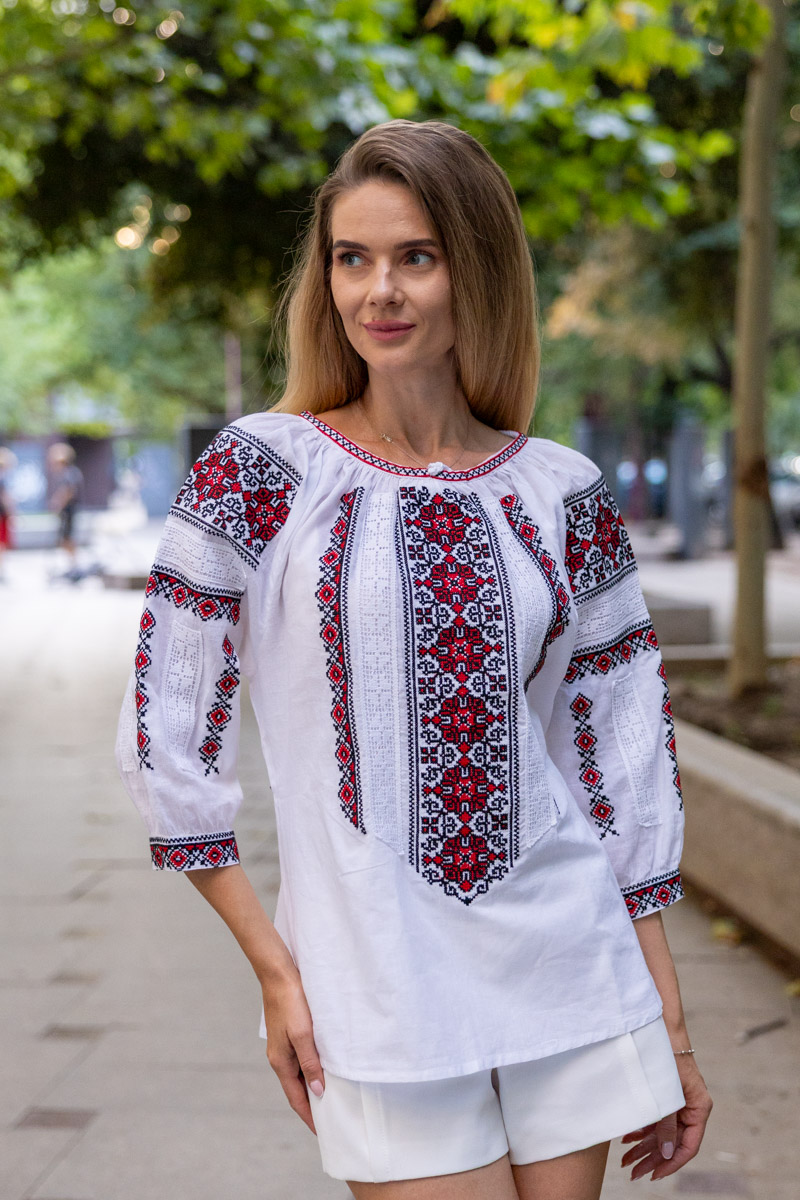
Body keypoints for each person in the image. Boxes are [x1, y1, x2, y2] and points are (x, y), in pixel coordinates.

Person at [116, 119, 712, 1200]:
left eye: (415, 257)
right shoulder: (262, 470)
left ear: (474, 270)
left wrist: (665, 1019)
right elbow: (168, 732)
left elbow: (620, 765)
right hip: (372, 983)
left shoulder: (562, 491)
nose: (377, 291)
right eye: (351, 259)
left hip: (566, 966)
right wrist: (275, 972)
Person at [47, 442, 83, 569]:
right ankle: (73, 564)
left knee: (67, 538)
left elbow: (68, 491)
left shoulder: (69, 473)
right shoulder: (70, 472)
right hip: (68, 510)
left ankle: (74, 565)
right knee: (65, 538)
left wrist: (58, 504)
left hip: (69, 510)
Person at [0, 447, 16, 581]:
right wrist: (12, 513)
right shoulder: (2, 478)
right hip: (1, 515)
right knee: (1, 543)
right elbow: (5, 498)